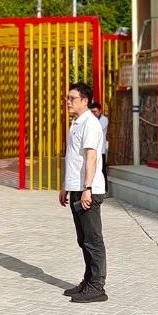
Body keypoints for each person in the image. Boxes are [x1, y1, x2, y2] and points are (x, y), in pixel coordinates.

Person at [59, 83, 108, 303]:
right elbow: (73, 158)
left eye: (72, 98)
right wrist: (66, 186)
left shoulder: (90, 123)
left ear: (85, 101)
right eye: (67, 98)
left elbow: (91, 157)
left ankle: (97, 286)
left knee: (93, 240)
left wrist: (87, 188)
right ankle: (88, 282)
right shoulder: (76, 123)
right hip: (77, 188)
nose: (68, 102)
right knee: (83, 239)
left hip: (88, 190)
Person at [90, 100, 110, 180]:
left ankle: (105, 186)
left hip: (100, 150)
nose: (93, 114)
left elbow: (97, 130)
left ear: (100, 111)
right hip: (91, 148)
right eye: (92, 112)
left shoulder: (104, 119)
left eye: (95, 112)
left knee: (102, 170)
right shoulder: (90, 119)